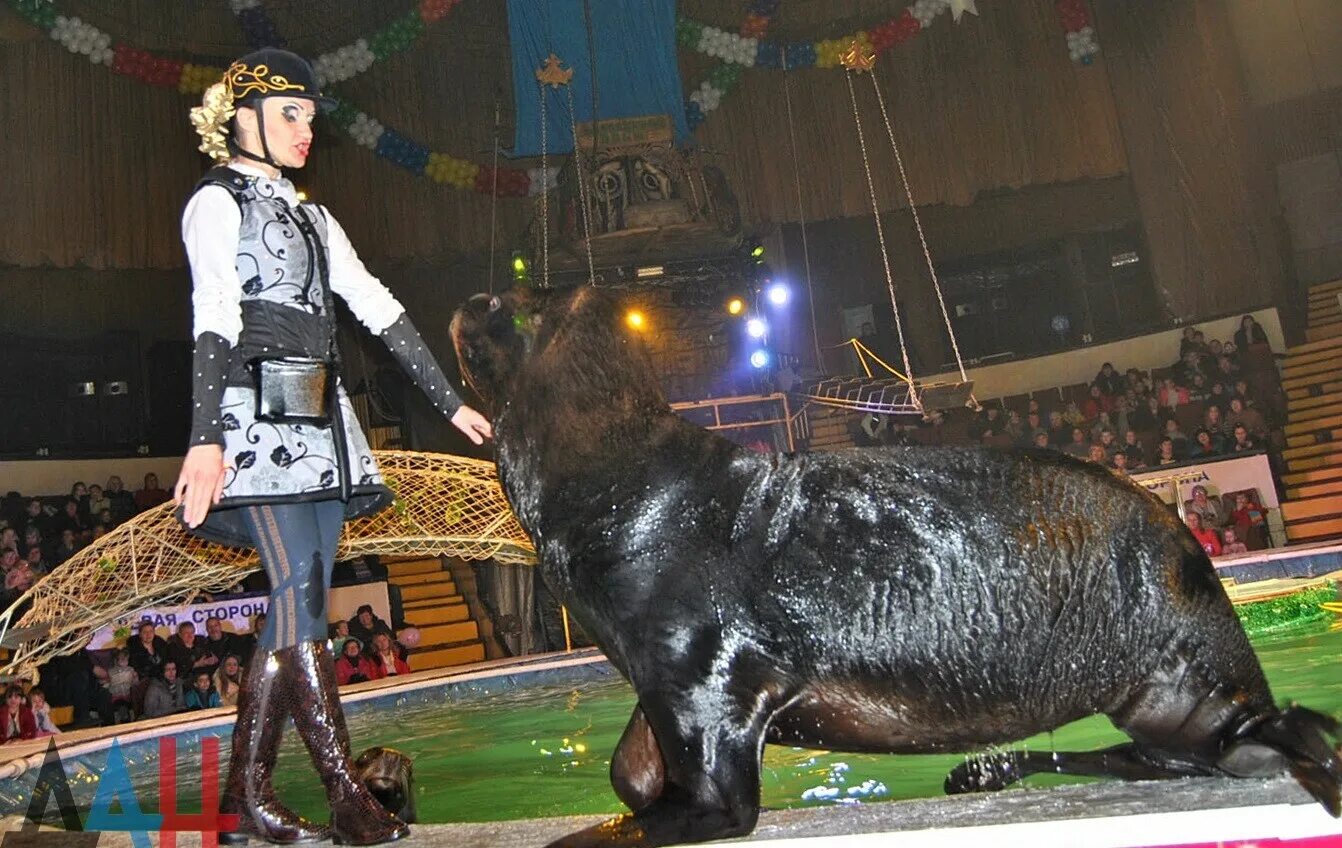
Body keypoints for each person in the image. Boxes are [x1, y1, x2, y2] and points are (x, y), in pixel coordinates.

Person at [174, 49, 491, 845]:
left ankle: (247, 800)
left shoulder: (314, 216)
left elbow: (379, 311)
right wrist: (205, 439)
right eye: (291, 113)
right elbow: (213, 314)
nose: (306, 129)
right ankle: (344, 792)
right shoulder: (215, 203)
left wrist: (449, 402)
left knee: (301, 602)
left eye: (311, 116)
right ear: (242, 117)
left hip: (316, 408)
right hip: (251, 408)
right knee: (295, 596)